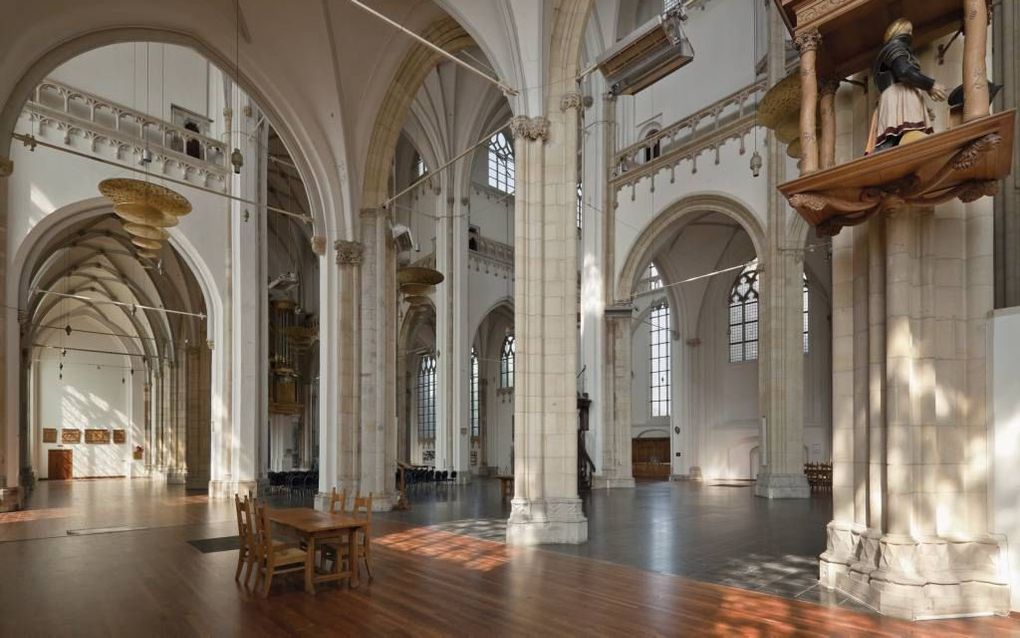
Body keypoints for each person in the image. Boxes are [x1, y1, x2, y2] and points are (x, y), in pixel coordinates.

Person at [867, 18, 947, 154]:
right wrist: (930, 85)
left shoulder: (897, 49)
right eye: (907, 30)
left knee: (906, 140)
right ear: (897, 31)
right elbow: (903, 71)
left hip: (899, 95)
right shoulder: (895, 47)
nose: (910, 34)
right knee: (894, 140)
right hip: (897, 95)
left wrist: (923, 108)